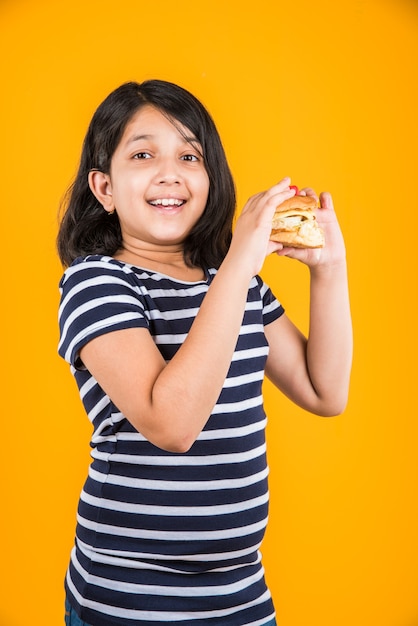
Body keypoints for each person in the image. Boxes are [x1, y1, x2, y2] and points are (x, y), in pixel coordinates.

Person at [57, 79, 352, 626]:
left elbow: (325, 391)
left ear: (209, 178)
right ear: (104, 188)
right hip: (127, 596)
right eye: (142, 154)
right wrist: (241, 261)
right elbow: (172, 425)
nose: (169, 172)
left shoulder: (233, 283)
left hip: (239, 593)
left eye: (189, 155)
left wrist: (329, 270)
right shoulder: (96, 284)